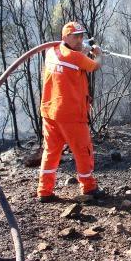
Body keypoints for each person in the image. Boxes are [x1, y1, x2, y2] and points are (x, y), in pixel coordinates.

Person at [37, 21, 105, 202]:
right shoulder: (75, 58)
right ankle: (89, 187)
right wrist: (98, 54)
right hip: (71, 114)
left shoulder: (52, 52)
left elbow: (69, 60)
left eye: (82, 36)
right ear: (65, 36)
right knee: (83, 150)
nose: (80, 39)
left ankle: (44, 191)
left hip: (50, 111)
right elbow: (94, 65)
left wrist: (81, 50)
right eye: (76, 36)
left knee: (51, 151)